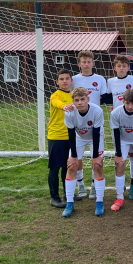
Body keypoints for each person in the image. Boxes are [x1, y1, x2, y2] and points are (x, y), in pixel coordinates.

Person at [62, 87, 105, 218]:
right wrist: (74, 156)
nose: (80, 102)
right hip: (78, 138)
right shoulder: (69, 113)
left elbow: (96, 132)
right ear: (73, 102)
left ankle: (99, 201)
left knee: (97, 166)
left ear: (88, 99)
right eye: (77, 100)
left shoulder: (97, 111)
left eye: (82, 99)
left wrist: (96, 156)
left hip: (95, 138)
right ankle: (69, 203)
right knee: (71, 166)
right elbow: (70, 133)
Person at [72, 50, 107, 200]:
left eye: (89, 61)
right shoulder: (73, 80)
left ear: (93, 63)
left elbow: (105, 98)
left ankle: (94, 185)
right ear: (79, 64)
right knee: (76, 158)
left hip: (95, 123)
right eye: (83, 62)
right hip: (78, 124)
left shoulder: (100, 79)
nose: (86, 64)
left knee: (97, 159)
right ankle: (80, 184)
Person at [109, 89, 133, 212]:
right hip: (123, 140)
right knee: (120, 164)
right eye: (127, 103)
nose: (130, 106)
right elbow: (116, 133)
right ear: (123, 101)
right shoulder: (116, 113)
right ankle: (120, 198)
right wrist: (118, 153)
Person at [107, 55, 133, 200]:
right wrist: (112, 107)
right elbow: (108, 98)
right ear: (115, 67)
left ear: (128, 67)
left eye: (124, 65)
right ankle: (120, 187)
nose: (121, 68)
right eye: (119, 66)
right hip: (118, 121)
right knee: (119, 156)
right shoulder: (110, 82)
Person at [47, 69, 82, 208]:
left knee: (68, 166)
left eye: (67, 78)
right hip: (57, 136)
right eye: (61, 79)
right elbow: (57, 103)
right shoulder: (56, 95)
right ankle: (54, 197)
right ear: (57, 81)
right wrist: (64, 106)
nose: (65, 81)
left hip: (72, 136)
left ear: (71, 80)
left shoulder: (74, 96)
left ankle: (68, 194)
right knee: (55, 167)